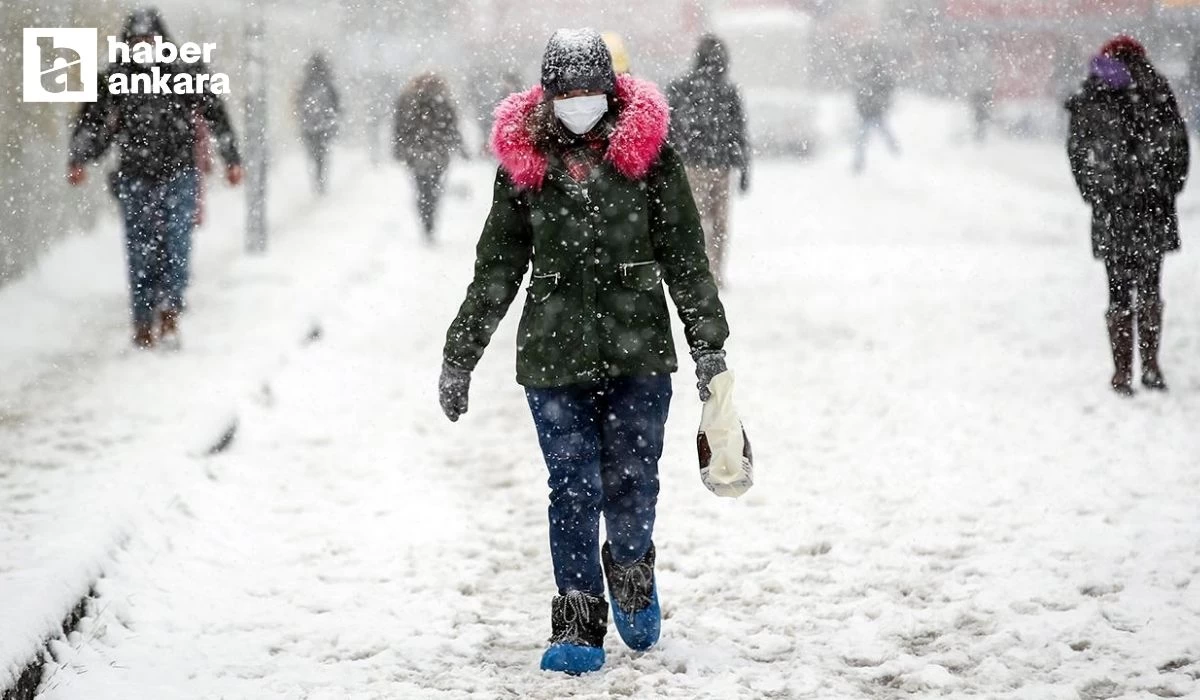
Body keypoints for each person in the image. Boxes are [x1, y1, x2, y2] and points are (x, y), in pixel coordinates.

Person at [438, 29, 731, 675]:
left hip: (640, 353)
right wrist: (461, 353)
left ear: (611, 89)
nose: (578, 101)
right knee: (572, 487)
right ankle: (576, 621)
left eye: (589, 90)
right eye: (566, 91)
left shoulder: (651, 159)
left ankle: (630, 568)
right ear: (549, 94)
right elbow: (496, 266)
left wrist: (710, 349)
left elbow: (686, 260)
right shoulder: (525, 165)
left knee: (633, 481)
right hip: (552, 356)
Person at [67, 8, 242, 350]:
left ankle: (170, 312)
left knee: (176, 246)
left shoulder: (184, 73)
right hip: (135, 177)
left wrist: (231, 158)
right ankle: (143, 319)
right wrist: (80, 157)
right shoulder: (114, 79)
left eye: (148, 40)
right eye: (136, 41)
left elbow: (215, 113)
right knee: (140, 250)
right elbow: (92, 121)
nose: (143, 47)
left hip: (179, 173)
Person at [1066, 36, 1188, 395]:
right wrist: (1167, 186)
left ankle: (1122, 373)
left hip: (1112, 208)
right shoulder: (1157, 88)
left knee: (1117, 290)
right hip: (1153, 206)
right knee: (1151, 285)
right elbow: (1178, 145)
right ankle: (1151, 365)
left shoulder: (1094, 92)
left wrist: (1095, 191)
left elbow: (1077, 149)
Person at [666, 34, 750, 288]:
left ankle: (697, 272)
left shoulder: (681, 87)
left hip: (692, 165)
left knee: (695, 222)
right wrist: (744, 167)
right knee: (718, 224)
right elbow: (739, 131)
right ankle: (714, 272)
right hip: (719, 166)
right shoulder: (727, 91)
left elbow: (670, 130)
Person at [392, 73, 463, 241]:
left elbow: (400, 127)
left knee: (421, 188)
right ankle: (430, 217)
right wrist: (459, 146)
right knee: (433, 189)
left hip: (416, 152)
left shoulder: (407, 100)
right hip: (437, 152)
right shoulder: (443, 100)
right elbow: (452, 127)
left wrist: (399, 147)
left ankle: (426, 218)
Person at [295, 52, 340, 194]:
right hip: (324, 125)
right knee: (322, 153)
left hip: (309, 125)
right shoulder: (326, 81)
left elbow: (299, 102)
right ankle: (320, 178)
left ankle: (317, 177)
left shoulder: (307, 82)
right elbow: (336, 102)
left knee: (314, 153)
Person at [853, 52, 900, 173]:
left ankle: (895, 152)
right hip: (871, 113)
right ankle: (895, 152)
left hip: (871, 113)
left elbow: (860, 96)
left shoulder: (870, 81)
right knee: (870, 136)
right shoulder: (875, 81)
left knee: (864, 138)